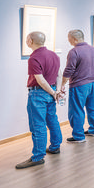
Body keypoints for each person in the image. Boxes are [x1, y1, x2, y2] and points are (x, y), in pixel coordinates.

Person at [16, 31, 63, 169]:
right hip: (51, 92)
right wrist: (56, 91)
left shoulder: (34, 58)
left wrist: (53, 92)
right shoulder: (54, 55)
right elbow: (59, 75)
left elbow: (40, 80)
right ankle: (55, 146)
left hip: (38, 94)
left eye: (26, 39)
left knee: (38, 125)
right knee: (52, 120)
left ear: (30, 41)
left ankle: (38, 157)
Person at [60, 29, 94, 143]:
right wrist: (91, 78)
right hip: (93, 83)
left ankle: (78, 136)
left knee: (77, 110)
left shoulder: (74, 51)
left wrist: (62, 84)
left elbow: (68, 70)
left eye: (68, 38)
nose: (68, 40)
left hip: (79, 85)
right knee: (93, 107)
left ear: (74, 39)